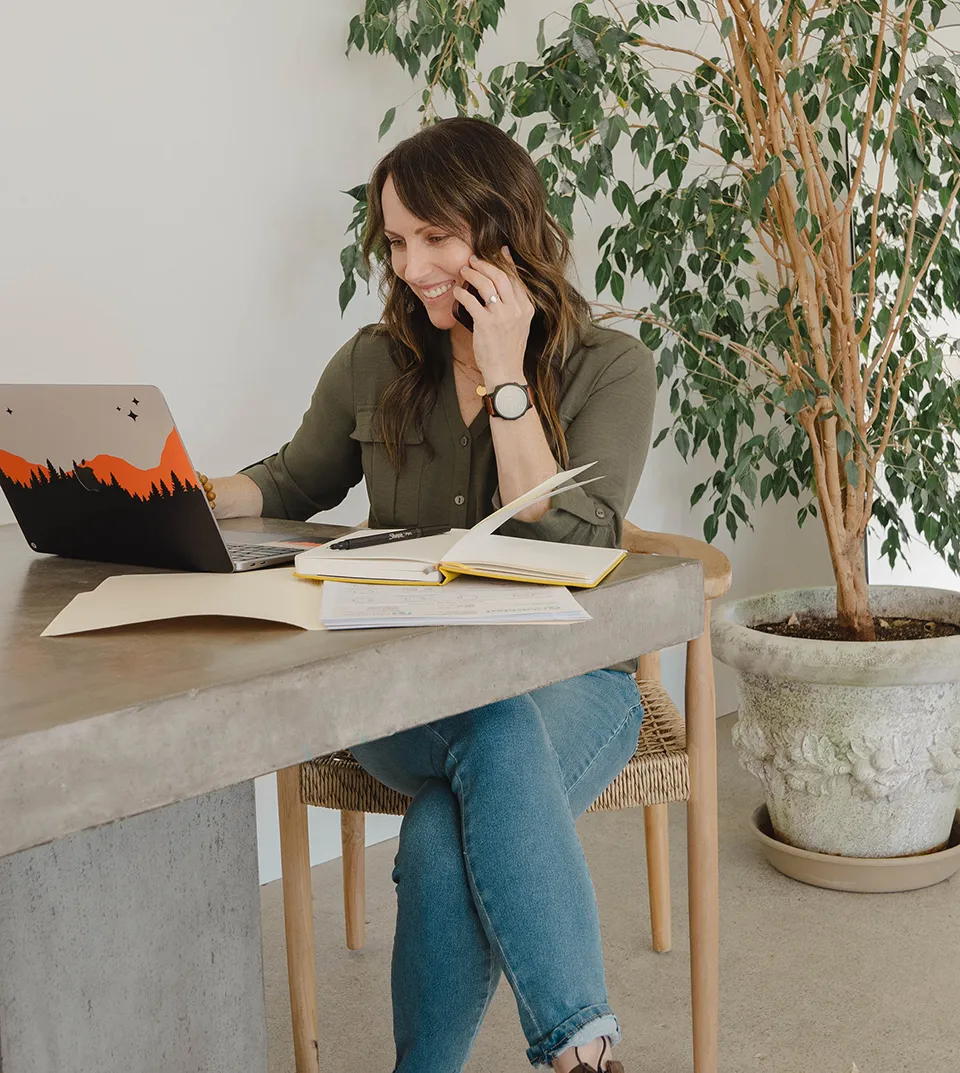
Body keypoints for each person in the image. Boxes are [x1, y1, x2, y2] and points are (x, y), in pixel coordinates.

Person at [210, 116, 656, 1073]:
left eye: (436, 237)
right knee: (481, 730)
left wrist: (504, 375)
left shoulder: (610, 366)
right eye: (398, 241)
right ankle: (585, 1047)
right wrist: (186, 494)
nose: (412, 266)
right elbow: (292, 481)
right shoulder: (375, 361)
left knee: (446, 818)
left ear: (503, 228)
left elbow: (576, 534)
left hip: (573, 680)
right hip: (402, 691)